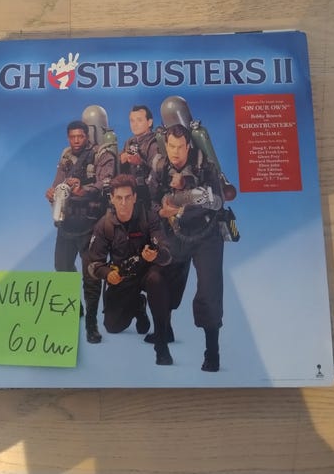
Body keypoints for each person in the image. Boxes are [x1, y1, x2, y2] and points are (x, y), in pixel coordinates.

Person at [147, 123, 225, 372]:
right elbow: (149, 201)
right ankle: (162, 340)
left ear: (188, 146)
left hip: (205, 234)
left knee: (209, 292)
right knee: (159, 282)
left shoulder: (205, 167)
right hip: (174, 234)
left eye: (180, 147)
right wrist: (162, 211)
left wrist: (186, 196)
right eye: (171, 146)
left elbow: (218, 201)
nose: (176, 152)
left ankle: (212, 352)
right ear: (166, 145)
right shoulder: (160, 167)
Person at [86, 174, 173, 366]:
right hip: (123, 276)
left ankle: (161, 345)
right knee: (113, 326)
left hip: (147, 273)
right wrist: (108, 274)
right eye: (119, 198)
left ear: (134, 197)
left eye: (127, 197)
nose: (123, 203)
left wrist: (156, 255)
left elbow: (167, 254)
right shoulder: (104, 225)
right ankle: (138, 305)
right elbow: (93, 264)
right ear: (112, 198)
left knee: (157, 280)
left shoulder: (149, 218)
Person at [45, 120, 115, 344]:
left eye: (80, 136)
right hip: (67, 223)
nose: (76, 140)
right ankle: (74, 306)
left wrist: (83, 190)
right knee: (62, 267)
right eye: (72, 137)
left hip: (91, 224)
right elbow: (58, 183)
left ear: (87, 136)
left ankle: (91, 325)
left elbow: (107, 182)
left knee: (91, 275)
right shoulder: (66, 156)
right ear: (68, 137)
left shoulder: (101, 154)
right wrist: (53, 193)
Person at [119, 105, 159, 208]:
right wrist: (121, 161)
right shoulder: (130, 142)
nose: (134, 124)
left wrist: (140, 163)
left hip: (149, 196)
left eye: (139, 120)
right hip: (131, 194)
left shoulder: (154, 144)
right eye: (132, 121)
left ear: (149, 122)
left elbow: (158, 173)